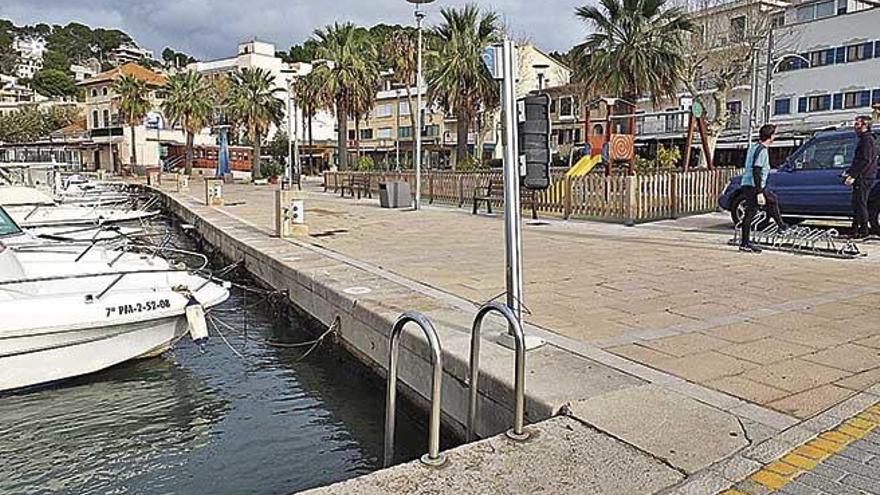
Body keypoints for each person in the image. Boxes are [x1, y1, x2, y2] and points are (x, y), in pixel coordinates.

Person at [739, 124, 788, 253]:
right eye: (774, 135)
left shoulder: (754, 147)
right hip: (754, 185)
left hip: (749, 184)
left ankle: (781, 226)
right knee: (752, 212)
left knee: (770, 201)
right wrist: (759, 192)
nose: (775, 137)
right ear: (770, 136)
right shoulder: (762, 150)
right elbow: (757, 170)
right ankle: (745, 243)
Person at [843, 116, 877, 238]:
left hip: (864, 177)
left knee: (860, 203)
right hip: (863, 175)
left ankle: (863, 231)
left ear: (864, 126)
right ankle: (855, 230)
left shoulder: (867, 140)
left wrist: (853, 175)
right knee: (856, 203)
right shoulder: (864, 139)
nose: (855, 127)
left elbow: (865, 160)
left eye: (857, 124)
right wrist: (850, 171)